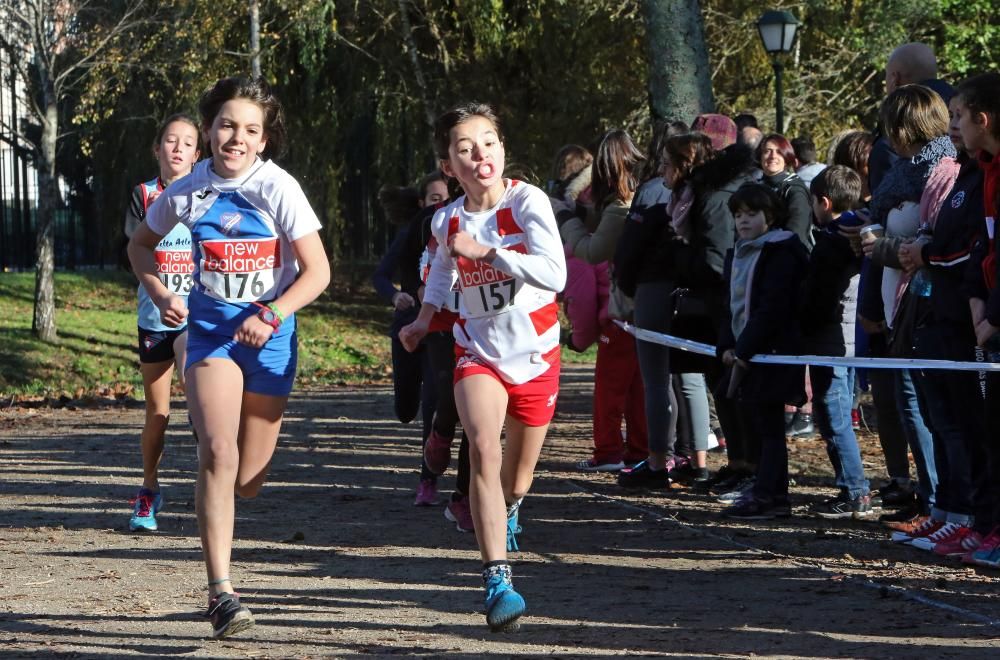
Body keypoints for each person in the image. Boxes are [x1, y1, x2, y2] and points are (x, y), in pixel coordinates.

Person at [127, 77, 331, 639]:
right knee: (217, 451)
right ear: (210, 129)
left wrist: (270, 313)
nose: (235, 138)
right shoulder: (189, 190)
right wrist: (165, 293)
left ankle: (236, 494)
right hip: (211, 333)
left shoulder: (280, 188)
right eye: (226, 125)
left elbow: (318, 272)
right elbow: (140, 244)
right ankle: (222, 592)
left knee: (248, 480)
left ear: (263, 141)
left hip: (271, 335)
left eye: (250, 130)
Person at [398, 103, 566, 632]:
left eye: (488, 142)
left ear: (501, 147)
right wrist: (424, 320)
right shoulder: (446, 219)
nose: (480, 155)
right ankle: (498, 578)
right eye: (465, 148)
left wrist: (489, 252)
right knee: (482, 453)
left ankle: (511, 508)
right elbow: (442, 274)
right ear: (449, 165)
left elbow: (555, 273)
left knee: (517, 479)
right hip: (478, 354)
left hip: (537, 356)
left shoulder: (526, 201)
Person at [858, 85, 956, 547]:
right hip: (898, 304)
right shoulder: (902, 171)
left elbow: (929, 244)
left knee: (931, 410)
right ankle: (935, 503)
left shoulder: (941, 170)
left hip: (928, 305)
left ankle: (945, 504)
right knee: (916, 406)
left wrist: (885, 248)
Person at [615, 132, 717, 488]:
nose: (659, 170)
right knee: (690, 377)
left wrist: (628, 284)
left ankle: (659, 461)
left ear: (679, 165)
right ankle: (699, 459)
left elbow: (630, 247)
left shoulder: (661, 197)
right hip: (694, 293)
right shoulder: (708, 197)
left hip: (658, 289)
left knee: (656, 379)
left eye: (664, 163)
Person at [124, 114, 201, 532]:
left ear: (196, 153)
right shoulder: (143, 194)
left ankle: (212, 479)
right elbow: (135, 251)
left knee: (194, 383)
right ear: (157, 149)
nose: (177, 147)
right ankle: (148, 491)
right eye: (170, 141)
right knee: (157, 414)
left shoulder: (207, 193)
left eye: (186, 142)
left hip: (195, 315)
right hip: (153, 315)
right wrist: (160, 293)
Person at [718, 183, 808, 520]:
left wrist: (745, 348)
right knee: (756, 423)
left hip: (771, 350)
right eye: (738, 215)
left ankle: (772, 495)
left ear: (769, 216)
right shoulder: (739, 251)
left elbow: (773, 307)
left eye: (751, 214)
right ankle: (764, 488)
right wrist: (727, 345)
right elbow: (730, 305)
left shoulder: (782, 252)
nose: (743, 221)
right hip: (746, 350)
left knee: (770, 427)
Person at [560, 129, 648, 473]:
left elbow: (591, 254)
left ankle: (608, 449)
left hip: (619, 310)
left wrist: (567, 221)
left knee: (610, 388)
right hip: (642, 309)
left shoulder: (619, 210)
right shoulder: (646, 196)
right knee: (638, 386)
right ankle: (640, 447)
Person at [398, 172, 476, 529]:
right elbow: (405, 261)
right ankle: (441, 432)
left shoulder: (507, 214)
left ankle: (462, 498)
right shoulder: (436, 218)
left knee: (478, 417)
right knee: (450, 396)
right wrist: (418, 294)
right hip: (442, 321)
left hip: (483, 324)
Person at [374, 174, 452, 506]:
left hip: (437, 331)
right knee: (407, 408)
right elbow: (382, 274)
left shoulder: (459, 227)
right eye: (433, 199)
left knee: (433, 403)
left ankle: (428, 481)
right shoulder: (414, 231)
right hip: (408, 327)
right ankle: (412, 403)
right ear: (422, 203)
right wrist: (397, 295)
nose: (440, 204)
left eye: (443, 198)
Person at [801, 165, 874, 518]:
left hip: (832, 340)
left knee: (833, 415)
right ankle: (851, 485)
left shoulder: (831, 244)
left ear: (824, 203)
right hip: (848, 339)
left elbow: (817, 298)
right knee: (835, 412)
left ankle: (855, 490)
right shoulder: (856, 238)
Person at [954, 72, 1000, 565]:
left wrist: (995, 318)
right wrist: (976, 302)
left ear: (981, 119)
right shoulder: (985, 170)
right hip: (984, 319)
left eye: (960, 117)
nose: (957, 128)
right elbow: (983, 247)